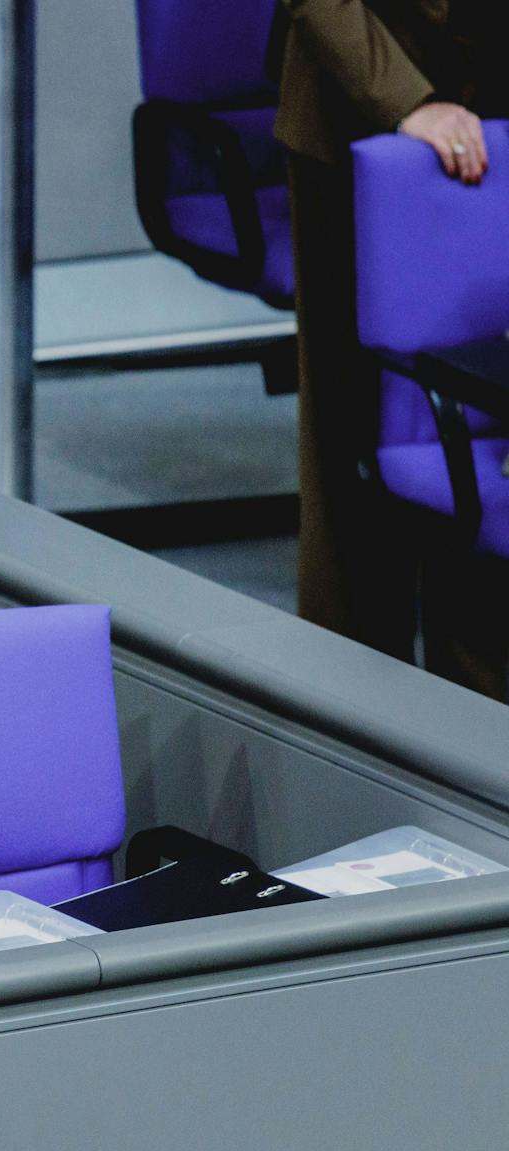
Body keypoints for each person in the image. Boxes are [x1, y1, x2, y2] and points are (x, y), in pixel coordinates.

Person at [275, 0, 509, 698]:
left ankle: (475, 719)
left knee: (478, 424)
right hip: (361, 102)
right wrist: (405, 100)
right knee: (354, 442)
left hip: (495, 96)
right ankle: (351, 719)